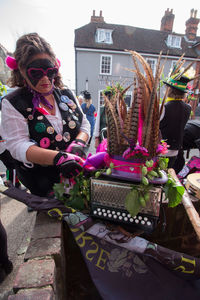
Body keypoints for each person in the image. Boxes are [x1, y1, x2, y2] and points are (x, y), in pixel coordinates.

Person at [1, 33, 90, 197]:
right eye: (36, 73)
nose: (46, 79)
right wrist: (59, 158)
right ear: (21, 70)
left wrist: (78, 143)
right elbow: (17, 145)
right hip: (42, 183)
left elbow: (84, 124)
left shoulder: (66, 94)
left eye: (50, 71)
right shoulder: (13, 102)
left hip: (76, 179)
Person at [159, 62, 193, 170]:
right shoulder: (188, 108)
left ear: (170, 90)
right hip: (175, 153)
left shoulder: (163, 107)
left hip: (160, 152)